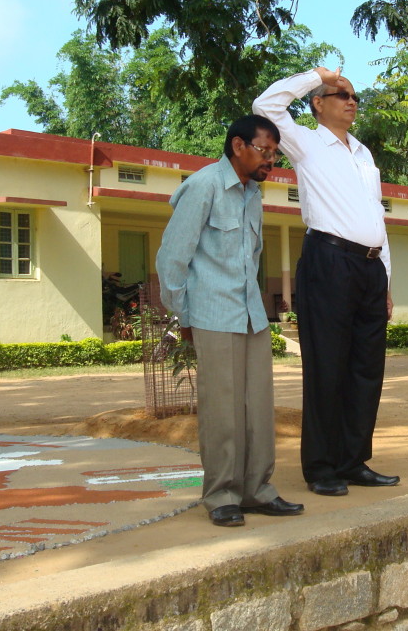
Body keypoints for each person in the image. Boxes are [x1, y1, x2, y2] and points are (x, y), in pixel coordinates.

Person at [253, 66, 398, 497]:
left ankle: (354, 461)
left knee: (366, 370)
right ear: (317, 103)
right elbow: (266, 106)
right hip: (329, 261)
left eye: (354, 97)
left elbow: (377, 216)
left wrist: (386, 277)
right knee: (327, 368)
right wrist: (315, 75)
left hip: (370, 268)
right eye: (340, 94)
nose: (351, 101)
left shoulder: (364, 154)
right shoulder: (305, 141)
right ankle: (321, 467)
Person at [156, 115, 304, 526]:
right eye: (264, 150)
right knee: (222, 409)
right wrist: (183, 314)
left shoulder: (253, 194)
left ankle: (258, 490)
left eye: (275, 153)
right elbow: (173, 257)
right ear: (238, 145)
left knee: (258, 406)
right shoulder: (203, 186)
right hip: (212, 313)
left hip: (251, 315)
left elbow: (251, 260)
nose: (271, 159)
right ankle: (221, 494)